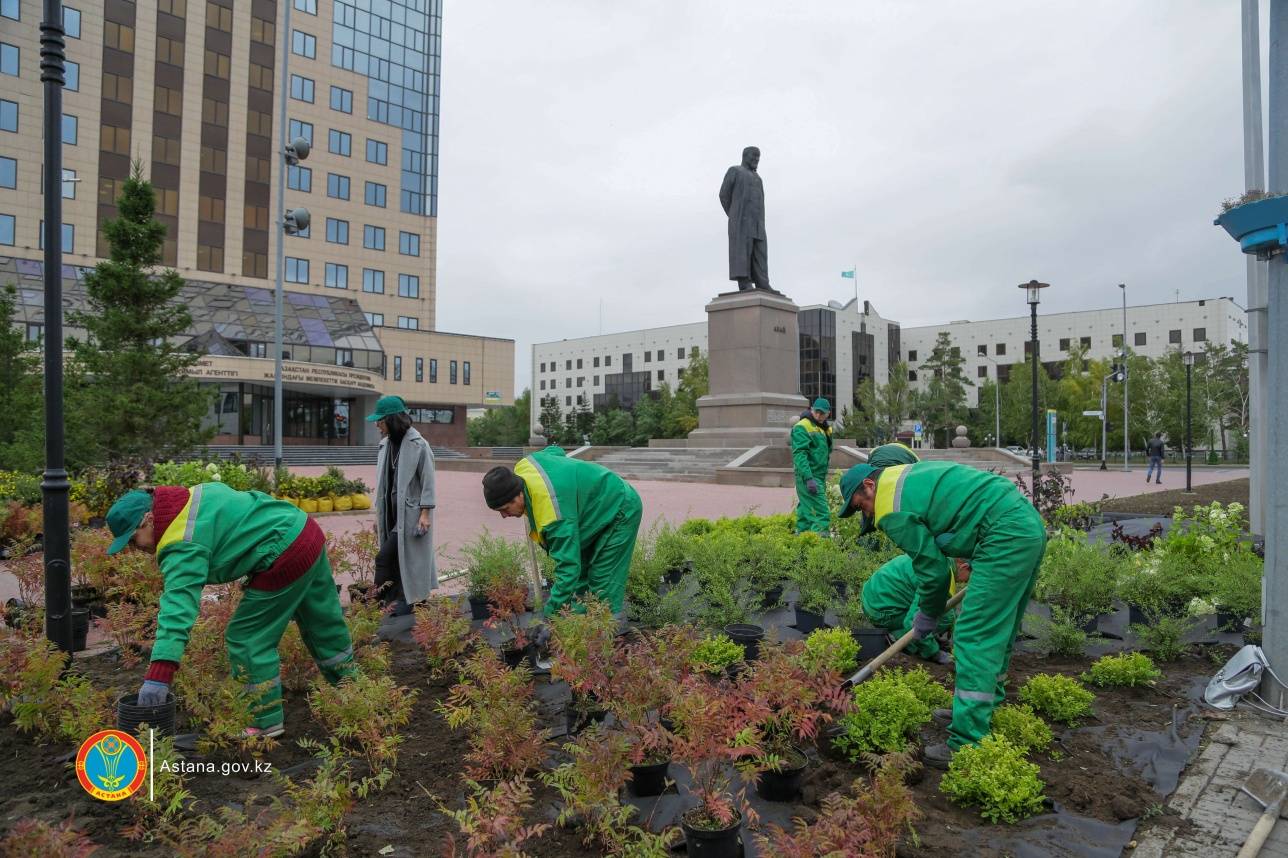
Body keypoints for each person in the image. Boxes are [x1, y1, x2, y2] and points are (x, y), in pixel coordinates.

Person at [838, 459, 1046, 769]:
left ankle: (967, 742)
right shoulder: (905, 478)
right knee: (999, 631)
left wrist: (928, 613)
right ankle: (983, 705)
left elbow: (932, 571)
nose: (867, 514)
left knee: (974, 635)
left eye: (862, 506)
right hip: (1024, 525)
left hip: (1003, 535)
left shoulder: (889, 506)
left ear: (869, 485)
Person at [106, 483, 355, 738]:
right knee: (323, 622)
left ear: (148, 519)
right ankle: (354, 689)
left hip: (282, 552)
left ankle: (264, 722)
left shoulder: (180, 541)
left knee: (247, 638)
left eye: (133, 540)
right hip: (303, 529)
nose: (136, 550)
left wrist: (159, 673)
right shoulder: (190, 499)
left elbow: (178, 607)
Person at [481, 446, 643, 639]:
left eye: (505, 508)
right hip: (590, 513)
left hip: (619, 507)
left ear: (519, 494)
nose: (504, 516)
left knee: (602, 582)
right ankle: (580, 630)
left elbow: (568, 569)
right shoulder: (525, 467)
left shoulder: (553, 515)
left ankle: (606, 639)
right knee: (581, 581)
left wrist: (548, 617)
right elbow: (554, 451)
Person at [370, 395, 437, 615]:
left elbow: (428, 480)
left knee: (385, 558)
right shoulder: (385, 445)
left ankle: (375, 606)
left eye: (380, 420)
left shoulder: (419, 445)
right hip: (390, 514)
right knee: (398, 560)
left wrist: (425, 514)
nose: (376, 424)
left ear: (391, 419)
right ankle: (406, 604)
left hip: (410, 516)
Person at [860, 553, 971, 665]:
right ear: (964, 567)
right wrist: (934, 652)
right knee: (942, 617)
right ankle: (913, 644)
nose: (967, 582)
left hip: (872, 598)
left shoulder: (936, 558)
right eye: (970, 576)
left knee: (946, 614)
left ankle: (918, 640)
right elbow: (913, 621)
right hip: (883, 610)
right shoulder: (939, 576)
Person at [719, 145, 771, 291]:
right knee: (743, 252)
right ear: (745, 156)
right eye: (754, 156)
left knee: (760, 252)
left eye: (758, 157)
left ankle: (762, 282)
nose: (756, 159)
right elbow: (724, 195)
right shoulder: (735, 171)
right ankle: (744, 281)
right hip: (741, 221)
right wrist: (734, 215)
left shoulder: (758, 178)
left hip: (758, 223)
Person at [791, 398, 833, 535]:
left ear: (828, 414)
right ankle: (820, 547)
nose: (819, 415)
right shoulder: (802, 426)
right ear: (812, 410)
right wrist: (809, 478)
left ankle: (801, 540)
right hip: (809, 476)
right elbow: (800, 455)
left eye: (823, 413)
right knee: (821, 513)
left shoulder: (825, 429)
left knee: (805, 511)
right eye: (817, 412)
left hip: (818, 476)